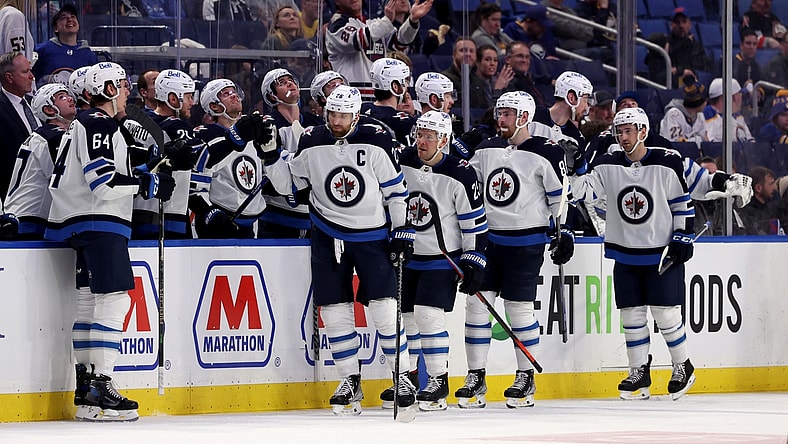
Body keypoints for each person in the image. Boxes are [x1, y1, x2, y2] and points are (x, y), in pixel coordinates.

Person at [262, 85, 417, 415]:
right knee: (333, 309)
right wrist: (269, 155)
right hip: (327, 234)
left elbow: (396, 189)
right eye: (332, 113)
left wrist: (402, 227)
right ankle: (350, 379)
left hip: (372, 236)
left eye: (343, 115)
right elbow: (287, 183)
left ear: (356, 115)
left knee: (385, 307)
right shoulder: (313, 139)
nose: (336, 120)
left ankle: (401, 375)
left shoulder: (376, 138)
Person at [46, 61, 175, 422]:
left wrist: (148, 170)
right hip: (99, 221)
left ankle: (87, 386)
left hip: (81, 221)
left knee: (89, 300)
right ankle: (103, 383)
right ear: (103, 90)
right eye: (119, 85)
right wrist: (148, 186)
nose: (126, 93)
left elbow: (110, 174)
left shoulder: (88, 125)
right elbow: (102, 183)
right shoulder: (99, 124)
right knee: (115, 298)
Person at [567, 107, 697, 401]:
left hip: (661, 253)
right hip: (625, 253)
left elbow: (682, 203)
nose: (622, 137)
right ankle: (638, 371)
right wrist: (576, 167)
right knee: (632, 315)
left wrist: (682, 238)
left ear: (643, 132)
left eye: (628, 131)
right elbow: (583, 194)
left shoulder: (666, 162)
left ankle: (682, 366)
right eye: (619, 131)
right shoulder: (606, 163)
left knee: (665, 314)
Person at [455, 91, 572, 409]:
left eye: (507, 113)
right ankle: (475, 376)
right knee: (477, 307)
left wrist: (563, 231)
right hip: (489, 241)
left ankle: (524, 376)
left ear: (524, 117)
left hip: (526, 242)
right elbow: (471, 189)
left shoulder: (547, 151)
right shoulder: (486, 148)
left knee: (518, 309)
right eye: (500, 112)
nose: (500, 118)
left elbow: (559, 197)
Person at [397, 110, 488, 411]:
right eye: (419, 134)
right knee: (406, 317)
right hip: (409, 254)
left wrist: (474, 261)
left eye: (429, 136)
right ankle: (408, 380)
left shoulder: (460, 173)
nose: (421, 141)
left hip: (443, 257)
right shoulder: (404, 160)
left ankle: (438, 381)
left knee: (427, 314)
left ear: (444, 140)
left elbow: (475, 222)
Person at [190, 79, 272, 238]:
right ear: (214, 106)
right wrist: (208, 211)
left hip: (250, 223)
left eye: (234, 92)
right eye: (226, 94)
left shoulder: (253, 135)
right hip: (218, 222)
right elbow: (194, 185)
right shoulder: (205, 135)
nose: (234, 96)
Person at [3, 82, 76, 239]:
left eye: (69, 95)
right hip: (30, 217)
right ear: (49, 110)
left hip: (22, 213)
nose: (70, 99)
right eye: (62, 97)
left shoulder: (43, 134)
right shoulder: (53, 137)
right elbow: (64, 180)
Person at [257, 68, 321, 238]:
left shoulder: (315, 122)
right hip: (278, 217)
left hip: (314, 215)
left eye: (291, 80)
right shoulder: (269, 126)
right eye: (281, 83)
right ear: (272, 96)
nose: (290, 83)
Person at [148, 68, 204, 239]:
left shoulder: (142, 121)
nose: (192, 102)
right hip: (170, 215)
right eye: (188, 97)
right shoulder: (176, 127)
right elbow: (202, 159)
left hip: (141, 214)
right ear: (173, 99)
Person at [325, 0, 431, 89]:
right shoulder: (336, 23)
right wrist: (387, 21)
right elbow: (357, 40)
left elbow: (399, 44)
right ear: (337, 1)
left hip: (378, 97)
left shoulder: (372, 22)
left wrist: (412, 19)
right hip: (350, 98)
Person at [31, 4, 98, 87]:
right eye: (63, 18)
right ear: (56, 28)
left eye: (73, 16)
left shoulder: (89, 55)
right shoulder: (43, 50)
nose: (70, 19)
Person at [0, 51, 36, 200]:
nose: (32, 76)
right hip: (12, 194)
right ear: (9, 78)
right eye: (25, 71)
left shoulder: (35, 102)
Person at [361, 57, 417, 146]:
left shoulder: (360, 109)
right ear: (395, 87)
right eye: (405, 82)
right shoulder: (404, 122)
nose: (407, 87)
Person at [698, 78, 754, 144]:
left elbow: (750, 141)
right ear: (733, 97)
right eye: (739, 93)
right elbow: (712, 147)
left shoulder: (738, 116)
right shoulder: (709, 116)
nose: (741, 97)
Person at [735, 165, 786, 235]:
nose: (774, 188)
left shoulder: (774, 210)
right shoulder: (745, 214)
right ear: (758, 188)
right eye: (771, 184)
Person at [659, 75, 708, 147]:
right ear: (698, 103)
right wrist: (696, 140)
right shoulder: (673, 114)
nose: (706, 103)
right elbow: (674, 144)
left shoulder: (700, 116)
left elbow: (705, 141)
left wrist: (690, 141)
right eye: (705, 100)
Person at [667, 8, 710, 86]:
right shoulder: (667, 44)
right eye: (677, 22)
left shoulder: (696, 44)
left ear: (689, 24)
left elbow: (704, 65)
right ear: (671, 25)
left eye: (684, 21)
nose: (681, 25)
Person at [440, 37, 487, 110]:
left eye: (471, 51)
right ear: (454, 54)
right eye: (463, 50)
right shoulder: (444, 79)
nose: (468, 54)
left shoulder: (478, 81)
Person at [502, 41, 548, 108]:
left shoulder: (527, 79)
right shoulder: (506, 83)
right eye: (520, 56)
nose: (524, 60)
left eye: (527, 57)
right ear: (508, 59)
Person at [734, 28, 764, 113]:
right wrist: (746, 94)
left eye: (754, 44)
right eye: (748, 43)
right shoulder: (732, 64)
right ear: (741, 45)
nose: (751, 47)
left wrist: (759, 94)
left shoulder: (756, 65)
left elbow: (762, 86)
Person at [476, 44, 513, 110]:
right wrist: (498, 89)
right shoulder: (473, 83)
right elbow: (491, 112)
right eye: (487, 60)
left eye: (495, 60)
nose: (492, 64)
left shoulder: (496, 81)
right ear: (478, 62)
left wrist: (504, 89)